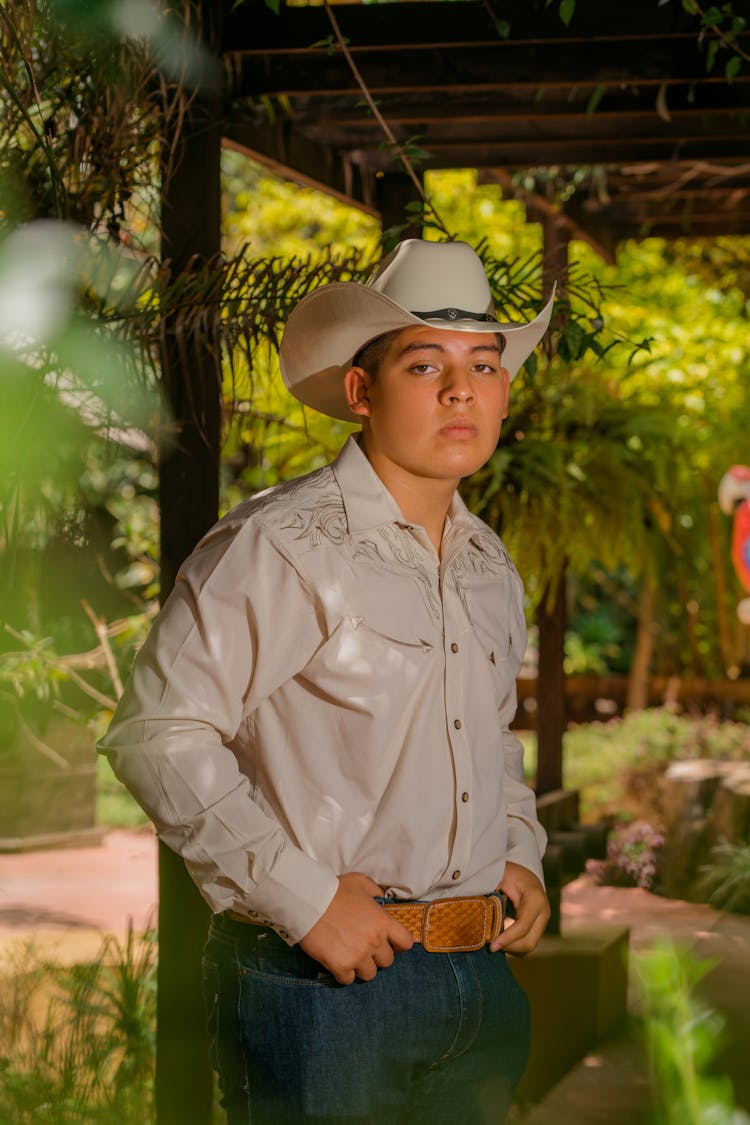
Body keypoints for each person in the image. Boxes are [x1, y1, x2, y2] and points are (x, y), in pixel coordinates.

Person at [100, 238, 555, 1124]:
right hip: (321, 990)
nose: (463, 391)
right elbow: (157, 732)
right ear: (361, 390)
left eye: (485, 365)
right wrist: (304, 900)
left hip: (482, 980)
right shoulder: (281, 546)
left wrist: (521, 852)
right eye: (426, 364)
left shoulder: (487, 565)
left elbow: (490, 737)